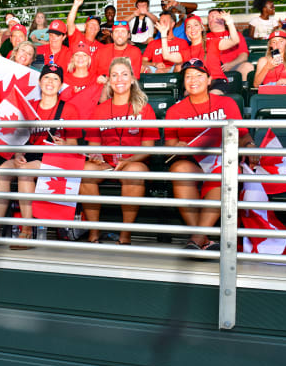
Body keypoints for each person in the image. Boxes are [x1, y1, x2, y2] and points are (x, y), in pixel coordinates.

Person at [0, 64, 80, 249]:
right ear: (39, 82)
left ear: (61, 84)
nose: (50, 82)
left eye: (55, 79)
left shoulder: (69, 109)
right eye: (47, 78)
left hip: (55, 158)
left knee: (24, 172)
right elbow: (17, 138)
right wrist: (17, 154)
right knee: (2, 171)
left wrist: (64, 144)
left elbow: (74, 145)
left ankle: (26, 230)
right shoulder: (28, 106)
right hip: (29, 154)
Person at [165, 59, 257, 251]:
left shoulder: (226, 103)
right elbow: (170, 144)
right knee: (179, 170)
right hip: (195, 161)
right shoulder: (174, 111)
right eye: (188, 76)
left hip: (224, 159)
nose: (193, 80)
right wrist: (178, 146)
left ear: (209, 80)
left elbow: (243, 134)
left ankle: (197, 239)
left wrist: (249, 144)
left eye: (199, 75)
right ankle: (203, 238)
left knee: (224, 170)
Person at [81, 58, 159, 245]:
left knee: (134, 172)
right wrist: (96, 155)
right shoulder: (99, 110)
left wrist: (128, 160)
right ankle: (94, 230)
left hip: (134, 163)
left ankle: (126, 233)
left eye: (124, 74)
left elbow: (149, 148)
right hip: (107, 164)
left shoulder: (144, 108)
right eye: (114, 75)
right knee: (83, 170)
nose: (119, 79)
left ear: (132, 78)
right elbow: (93, 145)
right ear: (109, 80)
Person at [177, 13, 240, 94]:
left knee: (211, 97)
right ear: (186, 32)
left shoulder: (213, 42)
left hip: (216, 81)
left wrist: (229, 22)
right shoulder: (186, 51)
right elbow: (166, 56)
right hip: (197, 83)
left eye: (196, 25)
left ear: (201, 28)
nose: (192, 28)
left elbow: (235, 40)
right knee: (187, 97)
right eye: (188, 26)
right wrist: (164, 34)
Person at [207, 9, 252, 82]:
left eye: (215, 16)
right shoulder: (204, 38)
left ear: (223, 19)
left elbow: (244, 56)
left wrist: (231, 64)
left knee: (247, 66)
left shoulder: (236, 35)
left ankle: (243, 91)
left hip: (233, 67)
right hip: (211, 71)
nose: (211, 19)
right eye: (209, 18)